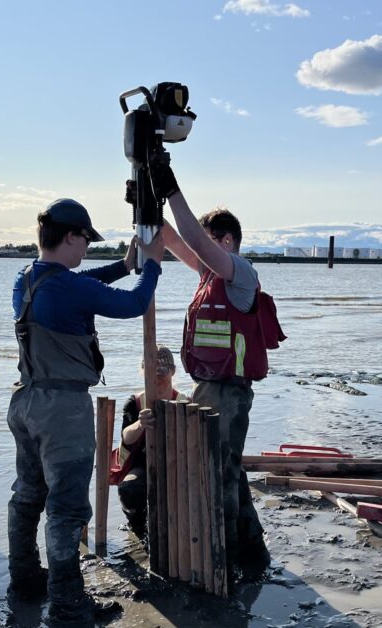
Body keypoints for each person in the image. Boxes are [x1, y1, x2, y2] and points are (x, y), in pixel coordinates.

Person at [5, 198, 164, 622]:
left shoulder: (28, 279)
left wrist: (123, 266)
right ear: (71, 236)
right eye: (84, 241)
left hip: (26, 401)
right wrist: (152, 266)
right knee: (67, 507)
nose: (85, 251)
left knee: (27, 495)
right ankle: (68, 601)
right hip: (63, 410)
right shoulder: (65, 287)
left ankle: (23, 578)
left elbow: (82, 284)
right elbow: (131, 305)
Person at [136, 159, 285, 583]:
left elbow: (195, 242)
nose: (208, 246)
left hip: (230, 395)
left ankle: (227, 563)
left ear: (230, 241)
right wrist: (147, 196)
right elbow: (171, 237)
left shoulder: (241, 274)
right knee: (228, 471)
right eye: (209, 240)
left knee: (218, 479)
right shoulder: (206, 275)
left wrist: (173, 188)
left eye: (216, 239)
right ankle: (253, 553)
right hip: (207, 388)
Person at [112, 345, 186, 538]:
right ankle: (138, 528)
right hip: (142, 465)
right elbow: (126, 437)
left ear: (172, 371)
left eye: (162, 372)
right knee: (129, 489)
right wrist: (140, 424)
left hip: (176, 464)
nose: (157, 378)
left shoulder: (184, 402)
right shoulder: (135, 403)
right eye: (152, 372)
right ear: (143, 371)